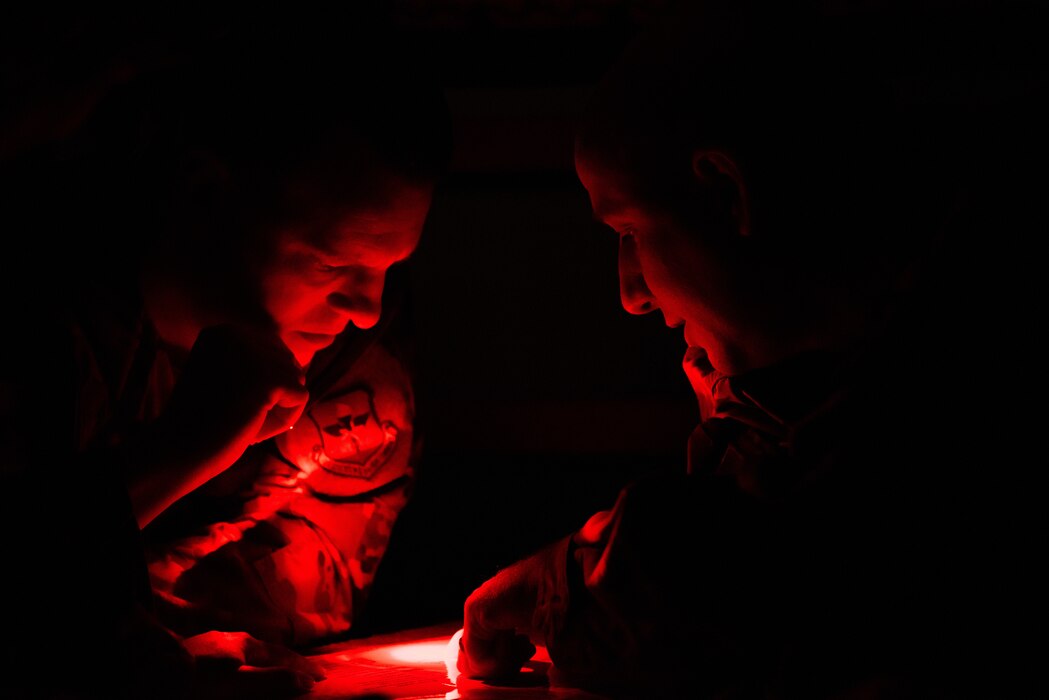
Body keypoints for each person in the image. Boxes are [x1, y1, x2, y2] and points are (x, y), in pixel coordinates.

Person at [457, 3, 1043, 698]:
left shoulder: (968, 358)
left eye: (630, 233)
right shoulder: (819, 385)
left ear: (725, 194)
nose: (631, 295)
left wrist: (566, 587)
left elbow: (784, 580)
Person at [1, 14, 450, 699]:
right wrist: (180, 451)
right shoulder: (37, 311)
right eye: (333, 263)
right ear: (205, 196)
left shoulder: (353, 360)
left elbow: (296, 607)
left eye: (389, 268)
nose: (367, 308)